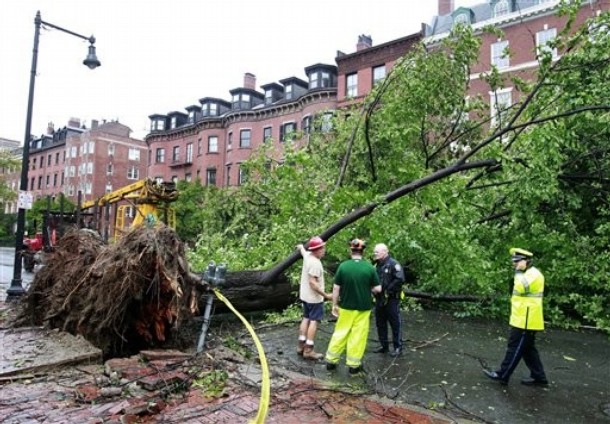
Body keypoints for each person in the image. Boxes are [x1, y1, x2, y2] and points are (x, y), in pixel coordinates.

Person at [483, 248, 548, 386]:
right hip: (522, 317)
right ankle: (539, 378)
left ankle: (503, 374)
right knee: (528, 349)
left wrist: (518, 272)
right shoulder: (527, 274)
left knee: (515, 347)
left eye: (518, 262)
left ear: (527, 261)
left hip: (526, 319)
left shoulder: (533, 275)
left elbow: (521, 286)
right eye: (514, 262)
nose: (515, 264)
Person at [325, 239, 381, 375]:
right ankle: (353, 365)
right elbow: (378, 289)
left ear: (351, 251)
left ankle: (331, 361)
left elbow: (336, 287)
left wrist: (334, 304)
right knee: (358, 335)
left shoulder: (343, 267)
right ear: (363, 252)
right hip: (363, 308)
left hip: (345, 307)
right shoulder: (369, 267)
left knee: (340, 332)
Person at [296, 236, 332, 360]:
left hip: (305, 296)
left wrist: (301, 247)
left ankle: (300, 346)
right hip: (314, 298)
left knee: (305, 318)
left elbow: (303, 252)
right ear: (317, 250)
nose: (324, 250)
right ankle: (308, 350)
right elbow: (313, 283)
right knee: (314, 321)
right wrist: (326, 295)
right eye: (322, 248)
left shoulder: (308, 256)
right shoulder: (315, 263)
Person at [372, 243, 405, 357]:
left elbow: (400, 279)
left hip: (391, 299)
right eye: (374, 251)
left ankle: (398, 347)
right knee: (380, 323)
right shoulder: (376, 266)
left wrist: (386, 289)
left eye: (377, 251)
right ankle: (384, 346)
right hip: (379, 299)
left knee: (395, 323)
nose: (375, 253)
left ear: (385, 251)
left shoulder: (394, 264)